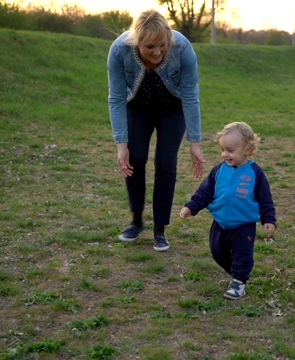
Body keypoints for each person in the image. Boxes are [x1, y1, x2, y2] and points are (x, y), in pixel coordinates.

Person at [107, 9, 205, 252]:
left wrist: (195, 142)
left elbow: (191, 96)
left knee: (165, 163)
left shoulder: (182, 48)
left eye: (162, 45)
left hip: (173, 109)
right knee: (135, 159)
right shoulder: (119, 50)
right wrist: (121, 145)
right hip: (137, 107)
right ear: (137, 41)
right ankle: (136, 221)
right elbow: (116, 98)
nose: (157, 52)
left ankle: (159, 230)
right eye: (149, 46)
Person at [180, 122, 276, 300]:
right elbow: (205, 192)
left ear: (247, 150)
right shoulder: (219, 170)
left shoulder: (255, 173)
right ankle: (239, 271)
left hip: (243, 224)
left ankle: (239, 281)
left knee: (242, 253)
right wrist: (191, 207)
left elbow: (265, 198)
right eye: (223, 149)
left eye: (230, 150)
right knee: (217, 252)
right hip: (221, 222)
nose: (225, 154)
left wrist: (268, 219)